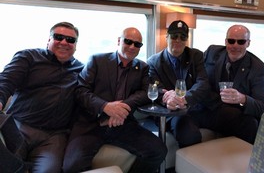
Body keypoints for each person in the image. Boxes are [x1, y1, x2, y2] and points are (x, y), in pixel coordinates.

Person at [63, 27, 167, 173]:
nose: (132, 47)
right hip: (92, 124)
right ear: (119, 41)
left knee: (158, 151)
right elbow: (81, 91)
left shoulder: (142, 67)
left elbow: (145, 92)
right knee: (71, 167)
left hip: (123, 123)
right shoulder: (97, 60)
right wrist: (105, 107)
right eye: (128, 41)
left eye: (137, 44)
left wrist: (122, 107)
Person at [0, 22, 84, 173]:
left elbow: (91, 96)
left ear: (75, 46)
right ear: (49, 40)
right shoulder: (28, 57)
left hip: (53, 137)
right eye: (59, 37)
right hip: (19, 127)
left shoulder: (82, 70)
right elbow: (6, 80)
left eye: (70, 40)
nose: (64, 42)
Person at [147, 20, 212, 148]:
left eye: (183, 37)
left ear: (186, 39)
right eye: (174, 36)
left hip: (194, 107)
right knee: (189, 133)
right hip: (170, 112)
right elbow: (155, 89)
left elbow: (203, 83)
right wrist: (168, 99)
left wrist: (185, 98)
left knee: (233, 117)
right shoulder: (153, 62)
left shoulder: (195, 55)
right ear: (167, 37)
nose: (178, 40)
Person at [203, 24, 264, 144]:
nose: (235, 46)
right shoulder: (211, 53)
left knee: (250, 124)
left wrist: (242, 99)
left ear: (248, 43)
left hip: (234, 113)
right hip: (208, 108)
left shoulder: (258, 68)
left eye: (241, 42)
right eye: (231, 41)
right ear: (225, 41)